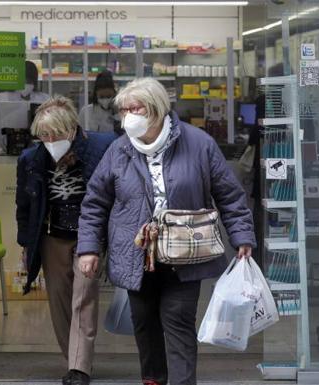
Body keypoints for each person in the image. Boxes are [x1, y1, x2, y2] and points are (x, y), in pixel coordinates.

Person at [76, 78, 256, 385]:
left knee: (178, 322)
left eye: (135, 108)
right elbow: (95, 203)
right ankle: (154, 380)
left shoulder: (198, 144)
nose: (127, 116)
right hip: (135, 253)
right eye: (124, 110)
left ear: (157, 109)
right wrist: (89, 248)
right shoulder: (118, 150)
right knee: (144, 324)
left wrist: (241, 236)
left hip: (186, 252)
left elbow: (229, 194)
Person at [16, 96, 115, 385]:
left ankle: (80, 368)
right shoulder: (31, 159)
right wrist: (25, 244)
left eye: (56, 134)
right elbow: (24, 205)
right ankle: (73, 361)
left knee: (83, 297)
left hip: (89, 234)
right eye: (44, 135)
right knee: (59, 300)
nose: (50, 140)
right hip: (51, 235)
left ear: (72, 128)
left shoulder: (101, 148)